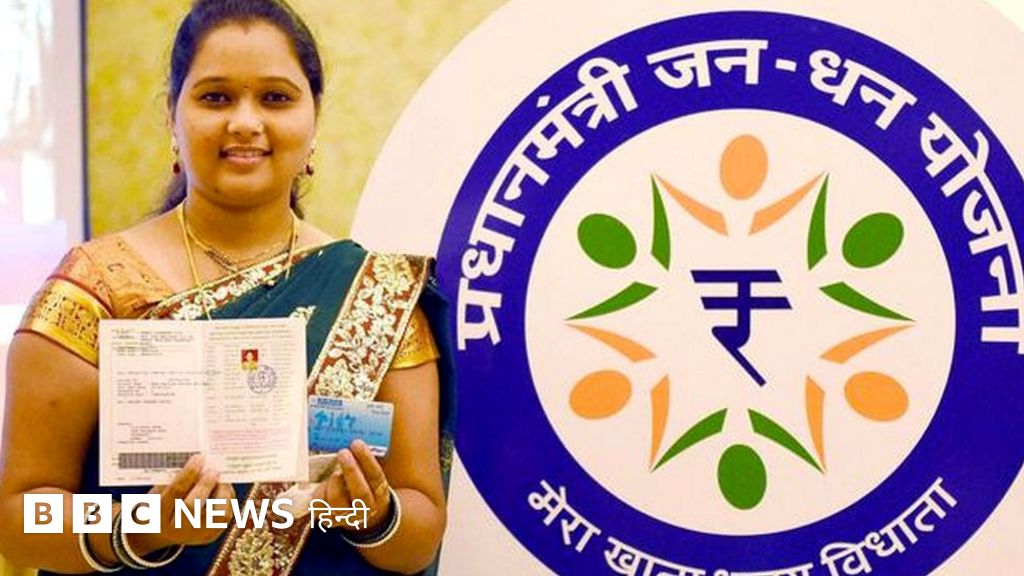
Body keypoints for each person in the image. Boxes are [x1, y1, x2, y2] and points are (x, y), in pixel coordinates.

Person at [0, 0, 455, 574]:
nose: (244, 122)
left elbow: (420, 533)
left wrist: (369, 513)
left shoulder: (377, 297)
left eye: (275, 98)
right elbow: (21, 518)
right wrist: (142, 528)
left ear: (314, 117)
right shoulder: (96, 288)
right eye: (215, 97)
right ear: (172, 116)